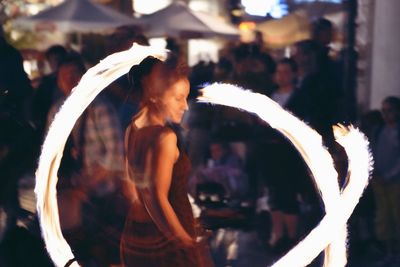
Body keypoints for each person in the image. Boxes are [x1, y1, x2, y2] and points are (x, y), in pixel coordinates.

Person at [120, 56, 213, 267]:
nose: (185, 107)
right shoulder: (164, 137)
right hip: (166, 244)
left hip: (136, 233)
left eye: (186, 98)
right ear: (157, 95)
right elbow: (156, 198)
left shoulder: (133, 126)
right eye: (178, 98)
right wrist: (186, 242)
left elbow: (131, 190)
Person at [370, 96, 400, 262]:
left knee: (396, 215)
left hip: (395, 181)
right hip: (380, 181)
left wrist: (390, 175)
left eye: (389, 111)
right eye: (383, 111)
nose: (386, 115)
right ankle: (389, 251)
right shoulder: (379, 130)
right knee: (384, 216)